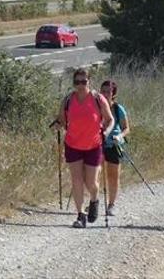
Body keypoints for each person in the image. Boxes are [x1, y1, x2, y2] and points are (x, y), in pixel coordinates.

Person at [54, 68, 114, 228]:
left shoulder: (98, 99)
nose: (80, 85)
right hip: (73, 144)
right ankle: (80, 215)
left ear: (89, 82)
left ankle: (94, 199)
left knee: (91, 183)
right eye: (77, 82)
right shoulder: (68, 100)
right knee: (76, 180)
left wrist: (106, 132)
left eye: (83, 81)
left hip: (94, 145)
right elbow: (62, 119)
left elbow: (110, 119)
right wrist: (57, 125)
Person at [100, 80, 129, 217]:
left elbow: (126, 128)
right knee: (93, 175)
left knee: (113, 176)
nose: (105, 94)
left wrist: (120, 137)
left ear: (113, 94)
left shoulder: (118, 109)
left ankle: (111, 205)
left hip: (114, 145)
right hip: (97, 144)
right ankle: (94, 202)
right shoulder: (96, 107)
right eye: (103, 91)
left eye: (108, 92)